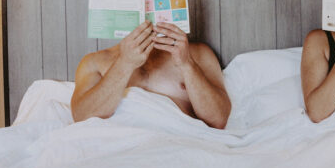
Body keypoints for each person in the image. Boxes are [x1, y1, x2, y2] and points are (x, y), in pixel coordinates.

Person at [71, 20, 231, 129]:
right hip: (119, 148)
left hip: (177, 145)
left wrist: (186, 63)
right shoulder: (94, 61)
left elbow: (218, 119)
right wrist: (124, 63)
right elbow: (81, 117)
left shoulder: (196, 53)